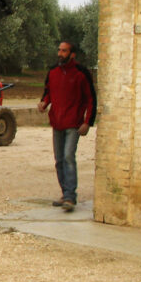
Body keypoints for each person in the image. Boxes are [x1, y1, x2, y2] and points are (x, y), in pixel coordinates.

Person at [38, 40, 95, 212]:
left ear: (72, 54)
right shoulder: (53, 72)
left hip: (73, 123)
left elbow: (91, 98)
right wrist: (44, 103)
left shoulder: (81, 73)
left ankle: (70, 196)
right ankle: (65, 193)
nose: (60, 54)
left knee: (69, 156)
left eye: (64, 51)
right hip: (57, 123)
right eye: (59, 50)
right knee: (59, 160)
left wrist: (88, 122)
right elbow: (48, 92)